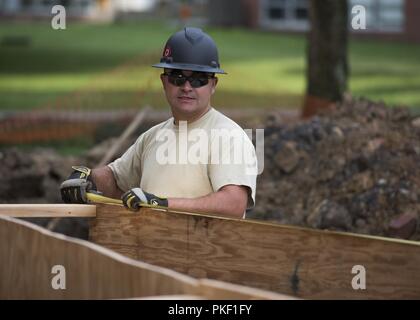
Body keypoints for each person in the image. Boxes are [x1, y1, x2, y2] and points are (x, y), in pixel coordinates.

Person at [60, 27, 257, 218]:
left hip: (206, 252)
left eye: (198, 79)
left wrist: (162, 204)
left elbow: (233, 204)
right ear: (164, 82)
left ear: (213, 85)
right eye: (177, 77)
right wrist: (88, 179)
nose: (187, 87)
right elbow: (115, 178)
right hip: (151, 249)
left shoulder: (230, 136)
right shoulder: (152, 137)